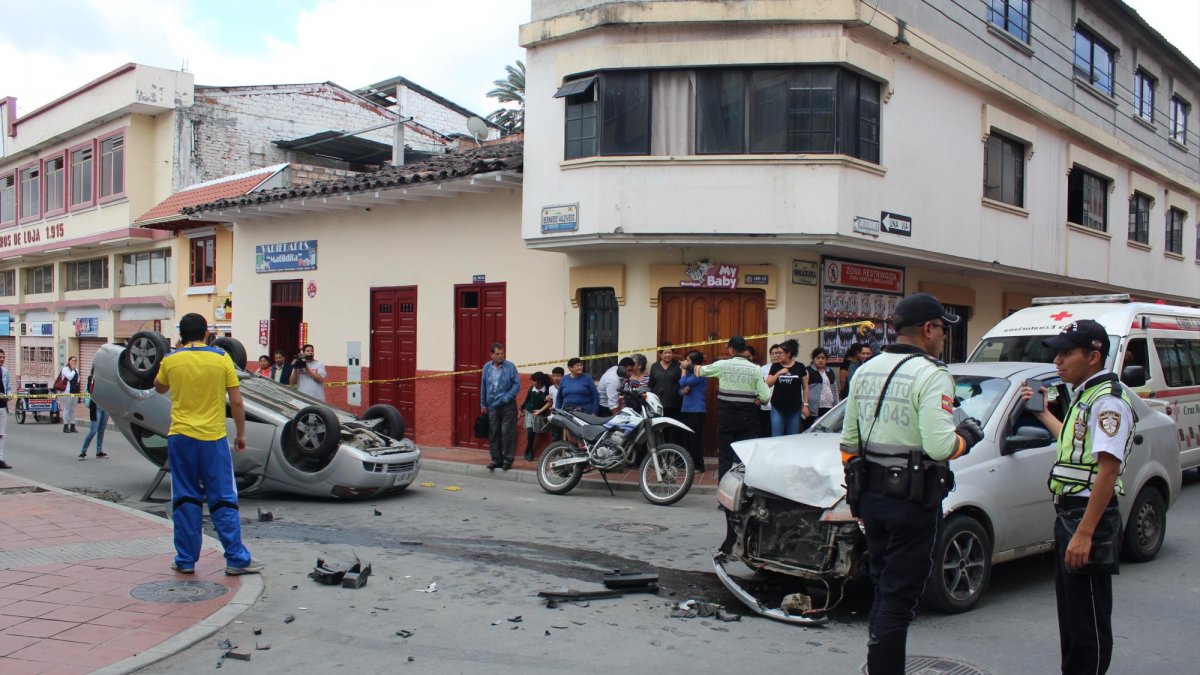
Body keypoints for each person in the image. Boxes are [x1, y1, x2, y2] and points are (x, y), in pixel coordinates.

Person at [839, 292, 984, 674]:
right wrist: (968, 436)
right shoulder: (932, 374)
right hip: (911, 503)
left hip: (870, 497)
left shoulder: (866, 369)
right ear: (928, 329)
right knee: (899, 598)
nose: (943, 337)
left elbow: (848, 443)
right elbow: (940, 446)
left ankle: (877, 664)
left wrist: (859, 486)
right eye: (941, 329)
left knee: (884, 586)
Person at [1021, 320, 1133, 675]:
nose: (1058, 360)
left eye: (1067, 353)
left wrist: (1085, 532)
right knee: (1071, 619)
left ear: (1094, 356)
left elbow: (1108, 470)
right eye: (1057, 352)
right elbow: (1075, 447)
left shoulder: (1108, 402)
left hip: (1088, 518)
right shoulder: (1085, 395)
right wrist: (1042, 414)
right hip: (1070, 516)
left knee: (1087, 626)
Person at [155, 313, 263, 576]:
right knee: (223, 496)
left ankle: (186, 560)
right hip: (213, 438)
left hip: (180, 438)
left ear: (182, 333)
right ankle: (236, 558)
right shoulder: (221, 358)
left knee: (185, 497)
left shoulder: (171, 359)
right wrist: (241, 434)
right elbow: (236, 402)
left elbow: (158, 387)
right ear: (206, 333)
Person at [698, 336, 771, 480]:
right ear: (744, 350)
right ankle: (745, 494)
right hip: (747, 419)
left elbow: (701, 371)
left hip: (726, 418)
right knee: (745, 457)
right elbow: (765, 396)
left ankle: (724, 498)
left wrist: (686, 365)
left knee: (725, 457)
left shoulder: (722, 365)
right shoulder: (755, 368)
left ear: (731, 349)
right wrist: (759, 400)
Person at [480, 342, 520, 471]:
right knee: (493, 432)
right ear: (491, 355)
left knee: (507, 432)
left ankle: (507, 460)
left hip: (508, 405)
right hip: (492, 404)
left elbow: (516, 384)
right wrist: (483, 403)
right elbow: (484, 385)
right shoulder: (487, 367)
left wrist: (508, 396)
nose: (500, 356)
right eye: (497, 354)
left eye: (502, 353)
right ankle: (496, 460)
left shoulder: (510, 366)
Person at [766, 339, 808, 436]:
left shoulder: (800, 366)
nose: (777, 355)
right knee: (777, 435)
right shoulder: (775, 366)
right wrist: (778, 373)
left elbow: (805, 387)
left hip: (795, 407)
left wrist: (805, 404)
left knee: (792, 435)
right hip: (777, 406)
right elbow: (768, 383)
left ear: (788, 353)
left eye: (780, 353)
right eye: (776, 353)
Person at [677, 350, 708, 473]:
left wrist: (683, 371)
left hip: (696, 410)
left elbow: (683, 382)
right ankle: (689, 464)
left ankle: (699, 466)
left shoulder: (699, 373)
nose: (685, 362)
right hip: (685, 409)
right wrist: (682, 392)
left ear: (694, 362)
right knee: (687, 438)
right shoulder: (689, 373)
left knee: (695, 438)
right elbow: (680, 389)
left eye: (688, 360)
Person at [649, 345, 683, 441]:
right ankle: (661, 452)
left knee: (674, 429)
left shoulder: (678, 366)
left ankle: (674, 452)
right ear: (660, 354)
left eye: (670, 352)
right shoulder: (655, 366)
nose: (668, 355)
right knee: (660, 430)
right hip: (658, 404)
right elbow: (651, 384)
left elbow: (683, 382)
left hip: (674, 404)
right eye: (665, 353)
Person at [519, 371, 553, 462]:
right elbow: (527, 400)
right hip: (530, 413)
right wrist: (521, 408)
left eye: (534, 381)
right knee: (530, 431)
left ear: (540, 381)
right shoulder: (531, 389)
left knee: (533, 432)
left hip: (539, 414)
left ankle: (528, 449)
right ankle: (530, 452)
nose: (532, 383)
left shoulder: (546, 391)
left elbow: (547, 402)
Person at [804, 347, 840, 429]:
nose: (820, 360)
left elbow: (835, 389)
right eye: (818, 358)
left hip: (829, 407)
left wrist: (837, 405)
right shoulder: (808, 370)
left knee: (826, 429)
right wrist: (804, 405)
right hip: (813, 408)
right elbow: (803, 388)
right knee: (811, 429)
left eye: (823, 358)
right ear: (813, 359)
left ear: (826, 360)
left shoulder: (829, 371)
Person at [78, 368, 109, 460]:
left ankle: (99, 451)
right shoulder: (91, 379)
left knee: (101, 430)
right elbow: (90, 391)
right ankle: (83, 452)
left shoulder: (107, 380)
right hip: (96, 407)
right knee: (93, 430)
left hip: (106, 406)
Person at [758, 344, 780, 437]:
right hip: (766, 406)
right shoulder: (763, 369)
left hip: (780, 408)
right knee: (766, 433)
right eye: (772, 353)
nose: (775, 356)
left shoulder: (786, 368)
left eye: (777, 353)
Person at [59, 356, 81, 433]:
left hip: (75, 391)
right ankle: (65, 425)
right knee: (67, 408)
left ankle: (72, 425)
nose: (74, 362)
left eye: (75, 360)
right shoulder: (65, 369)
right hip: (67, 392)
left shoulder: (76, 370)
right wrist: (73, 370)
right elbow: (70, 377)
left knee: (73, 409)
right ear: (69, 361)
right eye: (72, 360)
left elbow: (78, 379)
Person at [548, 366, 565, 442]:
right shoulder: (551, 388)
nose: (556, 378)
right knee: (555, 433)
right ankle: (556, 452)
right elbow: (551, 401)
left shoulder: (566, 387)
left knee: (567, 434)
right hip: (555, 413)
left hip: (565, 413)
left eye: (558, 376)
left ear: (563, 376)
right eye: (554, 376)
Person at [0, 348, 10, 469]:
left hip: (2, 406)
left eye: (3, 357)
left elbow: (8, 387)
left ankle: (0, 459)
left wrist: (8, 395)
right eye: (0, 357)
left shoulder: (5, 371)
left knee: (1, 434)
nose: (2, 359)